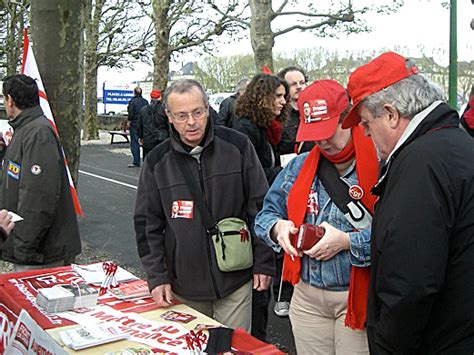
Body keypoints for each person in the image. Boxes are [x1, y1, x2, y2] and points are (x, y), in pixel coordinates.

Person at [341, 52, 474, 353]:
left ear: (390, 113)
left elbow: (410, 286)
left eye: (365, 121)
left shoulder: (419, 163)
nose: (362, 131)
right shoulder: (455, 143)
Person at [134, 79, 274, 333]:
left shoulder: (238, 146)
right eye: (182, 115)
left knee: (233, 349)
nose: (191, 122)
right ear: (168, 116)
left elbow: (261, 207)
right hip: (184, 284)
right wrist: (157, 276)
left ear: (208, 109)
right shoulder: (157, 161)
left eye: (197, 112)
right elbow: (147, 224)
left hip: (237, 280)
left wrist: (264, 262)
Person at [255, 79, 379, 354]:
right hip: (307, 296)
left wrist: (347, 242)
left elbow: (398, 235)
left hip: (356, 296)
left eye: (328, 130)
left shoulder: (380, 163)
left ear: (348, 119)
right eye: (314, 132)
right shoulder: (299, 166)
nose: (322, 141)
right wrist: (278, 228)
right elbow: (265, 215)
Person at [0, 74, 81, 272]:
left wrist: (23, 247)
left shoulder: (37, 134)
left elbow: (38, 198)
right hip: (32, 249)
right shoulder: (26, 129)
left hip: (39, 253)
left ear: (10, 100)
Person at [230, 73, 288, 340]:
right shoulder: (246, 129)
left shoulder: (263, 127)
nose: (283, 101)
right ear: (262, 97)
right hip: (251, 216)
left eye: (284, 95)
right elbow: (250, 178)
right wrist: (283, 172)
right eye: (278, 96)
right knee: (256, 298)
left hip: (261, 211)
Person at [277, 66, 313, 155]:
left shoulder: (316, 111)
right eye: (293, 84)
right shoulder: (278, 115)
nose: (299, 87)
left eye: (302, 83)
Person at [137, 89, 167, 158]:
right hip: (162, 138)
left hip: (148, 138)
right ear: (160, 97)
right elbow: (169, 125)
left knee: (148, 160)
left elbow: (140, 126)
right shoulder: (164, 110)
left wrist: (140, 137)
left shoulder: (143, 110)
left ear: (151, 97)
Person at [127, 87, 148, 167]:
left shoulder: (132, 102)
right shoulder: (145, 102)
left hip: (135, 124)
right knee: (146, 143)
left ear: (134, 93)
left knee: (135, 143)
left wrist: (129, 121)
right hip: (145, 124)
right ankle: (146, 160)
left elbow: (131, 114)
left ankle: (136, 161)